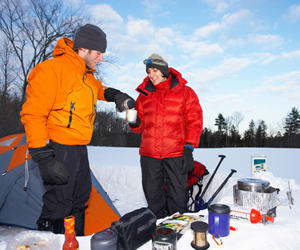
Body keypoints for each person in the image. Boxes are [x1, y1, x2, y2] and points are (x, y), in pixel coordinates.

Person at [20, 24, 135, 235]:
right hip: (59, 147)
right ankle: (50, 240)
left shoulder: (86, 75)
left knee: (80, 198)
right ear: (84, 49)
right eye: (99, 53)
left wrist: (117, 95)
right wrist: (43, 157)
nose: (101, 59)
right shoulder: (51, 69)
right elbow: (33, 114)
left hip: (79, 147)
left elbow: (100, 89)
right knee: (59, 203)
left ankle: (75, 241)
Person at [129, 53, 203, 219]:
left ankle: (178, 231)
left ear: (164, 71)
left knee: (178, 197)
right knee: (153, 197)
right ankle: (158, 230)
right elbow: (139, 128)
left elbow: (194, 122)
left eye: (155, 70)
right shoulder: (143, 95)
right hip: (149, 155)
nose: (151, 75)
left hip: (175, 153)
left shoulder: (185, 92)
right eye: (148, 71)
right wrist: (134, 122)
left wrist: (189, 148)